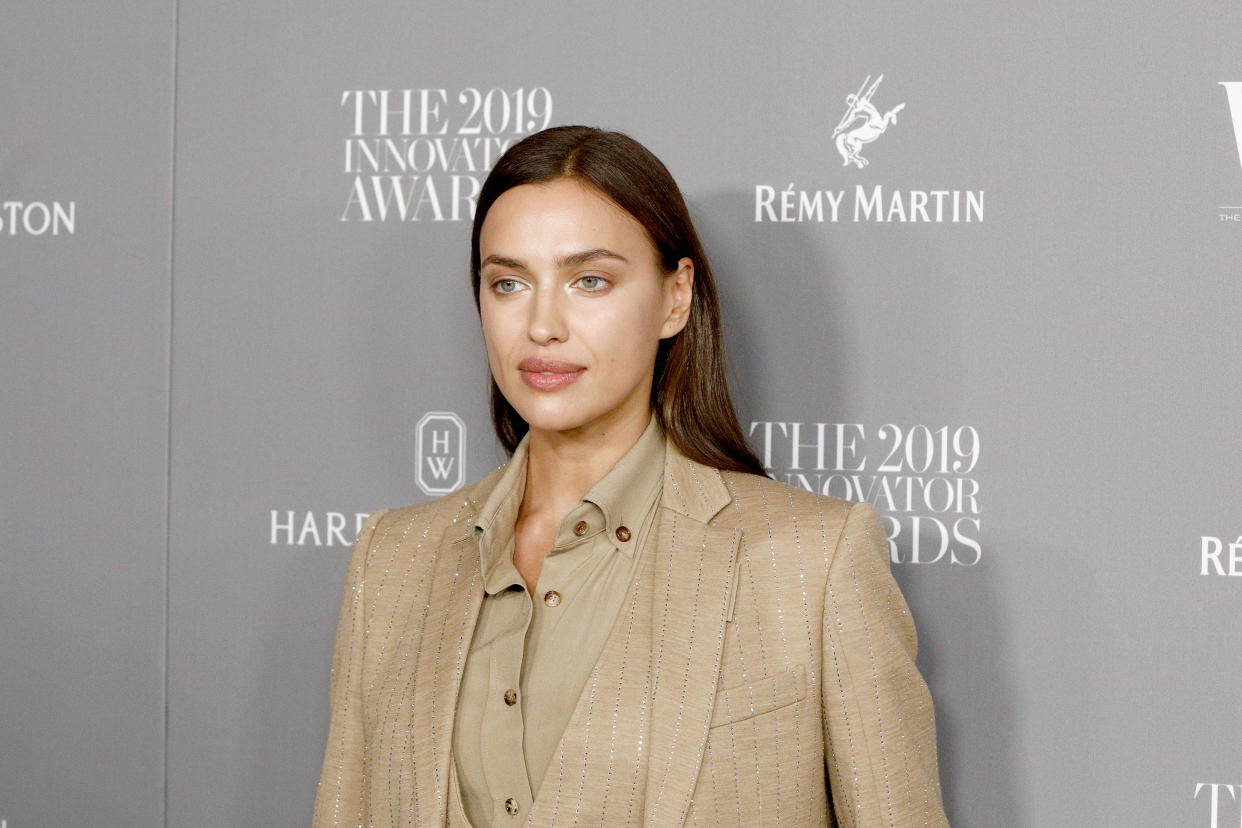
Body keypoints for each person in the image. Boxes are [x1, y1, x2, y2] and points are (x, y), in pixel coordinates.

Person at [312, 125, 948, 827]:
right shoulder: (392, 564)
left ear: (675, 298)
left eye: (590, 280)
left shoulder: (812, 563)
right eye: (509, 283)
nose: (542, 324)